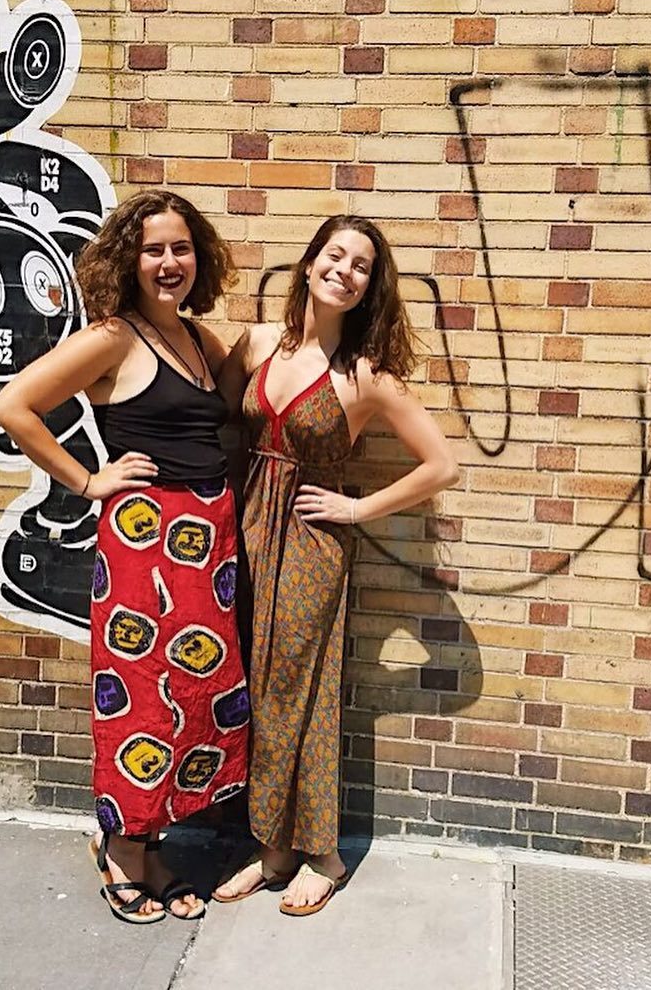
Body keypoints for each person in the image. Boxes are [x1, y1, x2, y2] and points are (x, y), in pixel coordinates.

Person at [0, 190, 249, 924]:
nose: (168, 263)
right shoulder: (112, 337)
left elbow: (240, 400)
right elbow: (13, 406)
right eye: (152, 249)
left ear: (199, 258)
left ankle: (151, 841)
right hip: (144, 539)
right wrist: (86, 480)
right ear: (127, 261)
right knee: (141, 693)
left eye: (181, 249)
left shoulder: (197, 341)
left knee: (191, 693)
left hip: (208, 543)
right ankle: (123, 852)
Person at [212, 214, 459, 917]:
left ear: (369, 287)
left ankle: (323, 854)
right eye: (335, 255)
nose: (344, 271)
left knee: (299, 693)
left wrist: (356, 509)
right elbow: (215, 423)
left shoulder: (365, 376)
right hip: (244, 529)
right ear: (309, 261)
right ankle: (272, 850)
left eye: (361, 266)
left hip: (309, 544)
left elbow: (442, 465)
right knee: (252, 688)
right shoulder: (258, 343)